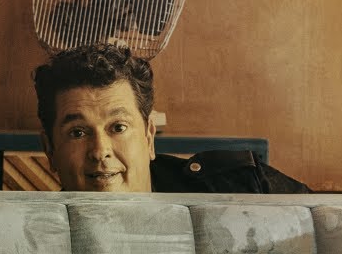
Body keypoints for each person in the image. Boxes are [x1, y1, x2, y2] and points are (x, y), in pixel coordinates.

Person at [32, 44, 311, 193]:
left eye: (118, 127)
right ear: (50, 150)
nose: (100, 151)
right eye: (78, 133)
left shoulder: (244, 188)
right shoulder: (30, 247)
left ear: (149, 137)